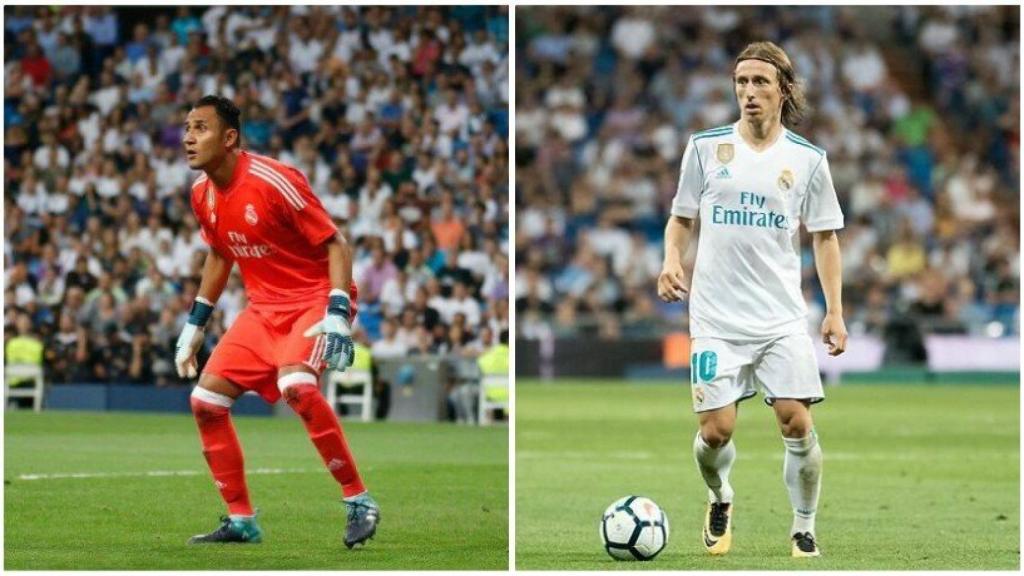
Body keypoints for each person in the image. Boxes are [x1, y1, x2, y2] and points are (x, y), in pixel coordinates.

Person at [657, 41, 847, 559]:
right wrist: (672, 259)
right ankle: (720, 497)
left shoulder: (808, 160)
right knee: (715, 432)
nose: (748, 92)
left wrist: (833, 310)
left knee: (796, 420)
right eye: (741, 82)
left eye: (760, 82)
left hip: (781, 317)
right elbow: (681, 218)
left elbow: (825, 236)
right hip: (716, 317)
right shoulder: (704, 148)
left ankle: (803, 526)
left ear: (784, 89)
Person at [175, 95, 379, 547]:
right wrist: (196, 324)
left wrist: (339, 312)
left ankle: (358, 499)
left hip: (313, 299)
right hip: (263, 309)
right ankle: (242, 520)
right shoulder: (200, 194)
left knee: (297, 388)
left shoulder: (273, 179)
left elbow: (337, 244)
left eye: (201, 128)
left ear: (229, 138)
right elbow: (219, 253)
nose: (188, 137)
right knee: (206, 402)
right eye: (187, 128)